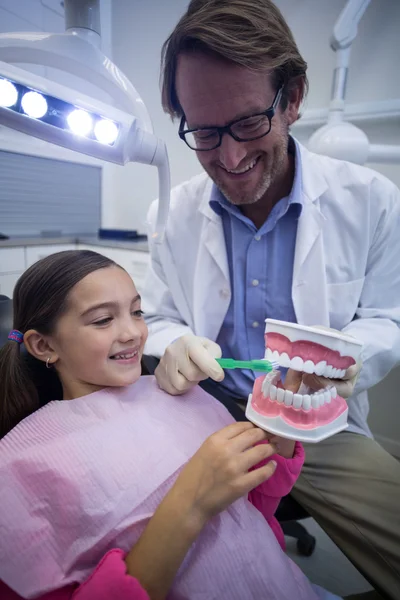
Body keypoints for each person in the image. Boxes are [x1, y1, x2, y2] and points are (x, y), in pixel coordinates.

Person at [141, 1, 400, 598]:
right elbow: (155, 315)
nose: (229, 158)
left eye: (249, 123)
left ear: (293, 97)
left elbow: (388, 317)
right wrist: (171, 342)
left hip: (318, 428)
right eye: (204, 132)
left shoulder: (370, 199)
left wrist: (343, 359)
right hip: (204, 415)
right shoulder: (170, 214)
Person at [0, 250, 341, 600]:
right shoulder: (22, 465)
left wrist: (279, 423)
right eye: (103, 320)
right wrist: (190, 501)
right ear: (44, 345)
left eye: (136, 312)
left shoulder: (178, 395)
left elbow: (253, 512)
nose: (133, 332)